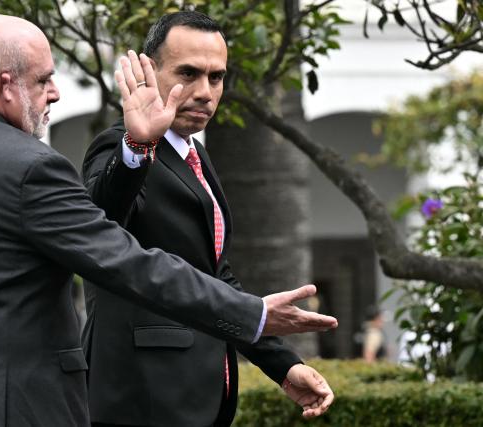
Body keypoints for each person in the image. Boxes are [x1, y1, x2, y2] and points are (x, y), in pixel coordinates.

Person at [0, 14, 337, 427]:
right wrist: (252, 315)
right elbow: (125, 258)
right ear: (6, 84)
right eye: (44, 80)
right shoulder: (29, 167)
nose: (56, 94)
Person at [82, 11, 334, 427]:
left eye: (216, 77)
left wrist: (282, 365)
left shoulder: (195, 155)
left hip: (201, 397)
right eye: (188, 73)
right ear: (149, 71)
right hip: (138, 397)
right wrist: (136, 146)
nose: (204, 91)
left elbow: (214, 277)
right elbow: (97, 226)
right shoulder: (121, 147)